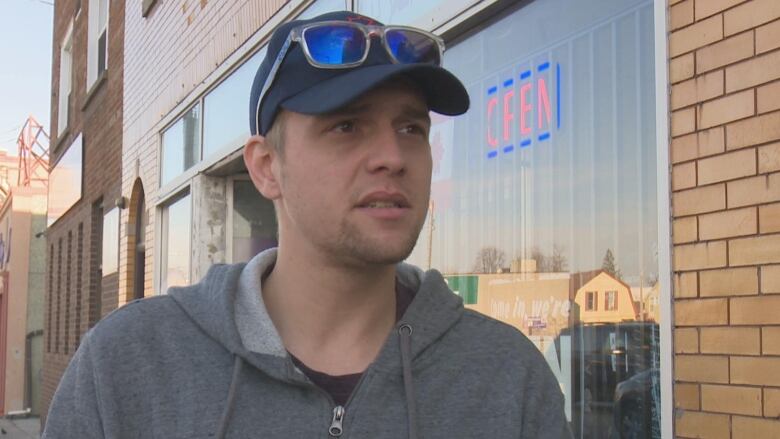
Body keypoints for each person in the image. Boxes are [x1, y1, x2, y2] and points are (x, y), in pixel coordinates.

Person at [43, 11, 572, 438]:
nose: (393, 155)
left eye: (411, 127)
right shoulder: (127, 369)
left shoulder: (507, 381)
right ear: (267, 167)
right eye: (347, 125)